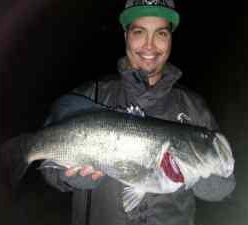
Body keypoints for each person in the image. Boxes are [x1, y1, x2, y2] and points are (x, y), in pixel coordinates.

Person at [41, 0, 236, 225]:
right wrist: (68, 178)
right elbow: (46, 158)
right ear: (126, 36)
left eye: (161, 33)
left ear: (170, 39)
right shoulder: (89, 95)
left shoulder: (193, 106)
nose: (150, 45)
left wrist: (217, 184)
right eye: (139, 32)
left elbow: (225, 181)